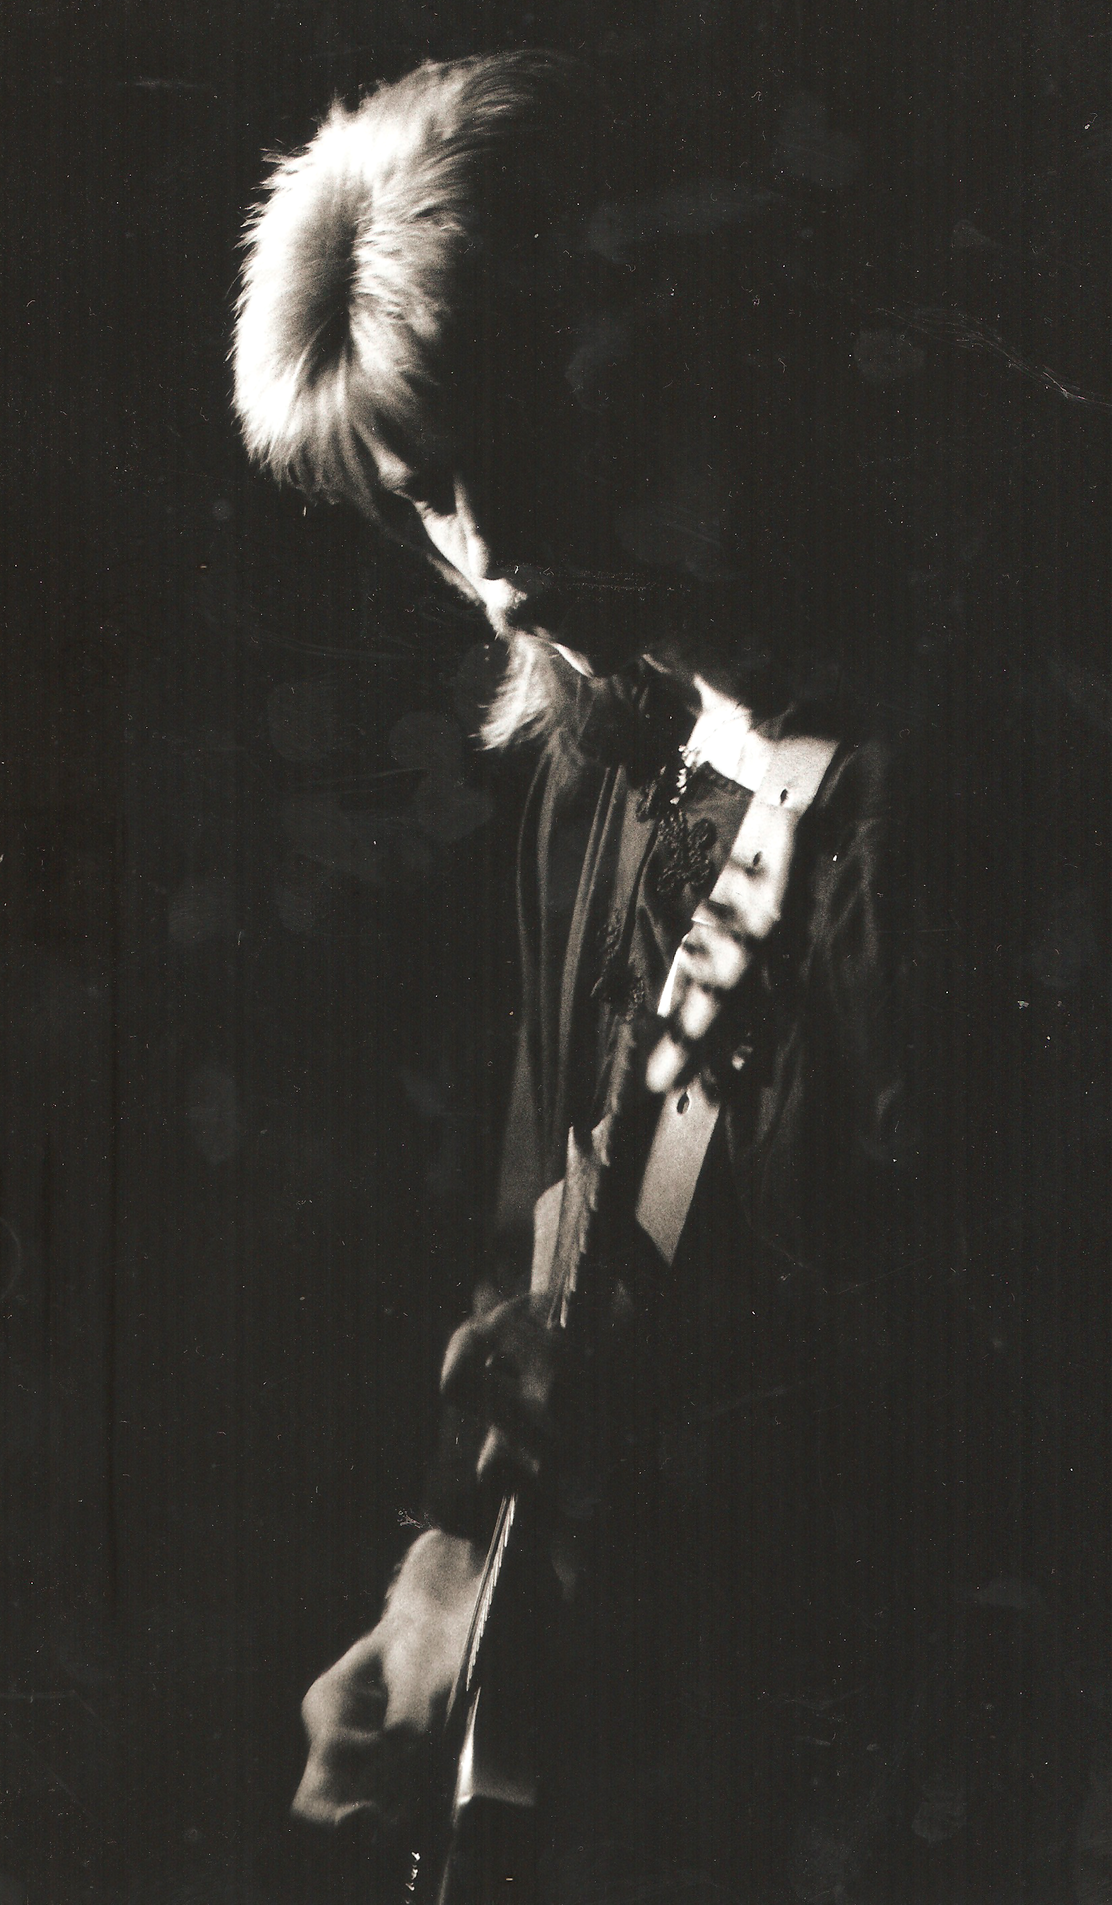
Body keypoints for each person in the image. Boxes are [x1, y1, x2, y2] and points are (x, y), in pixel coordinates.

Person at [233, 51, 1110, 1904]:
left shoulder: (1000, 777)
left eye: (510, 444)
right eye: (419, 495)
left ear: (672, 356)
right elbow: (542, 1257)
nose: (484, 556)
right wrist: (438, 1589)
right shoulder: (604, 781)